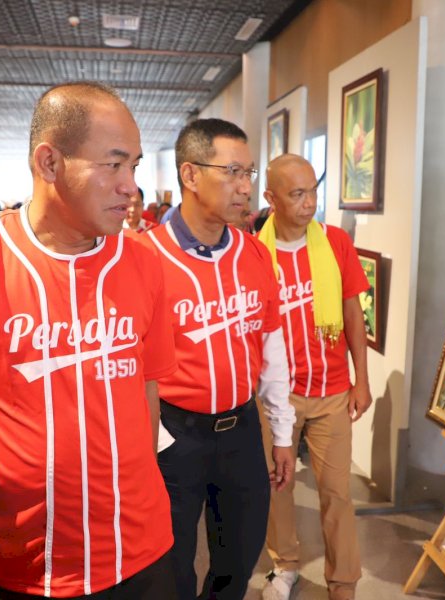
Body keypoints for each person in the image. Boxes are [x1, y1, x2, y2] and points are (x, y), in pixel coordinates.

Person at [0, 81, 179, 600]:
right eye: (113, 165)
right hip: (29, 559)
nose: (130, 187)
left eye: (133, 166)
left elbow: (146, 389)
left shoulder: (142, 262)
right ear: (49, 163)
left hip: (143, 546)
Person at [143, 118, 295, 600]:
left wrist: (283, 433)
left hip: (241, 431)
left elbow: (271, 347)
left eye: (249, 173)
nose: (246, 187)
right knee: (170, 564)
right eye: (232, 171)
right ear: (190, 175)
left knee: (239, 557)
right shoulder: (143, 258)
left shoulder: (253, 254)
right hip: (174, 435)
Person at [257, 154, 372, 600]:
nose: (309, 203)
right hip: (276, 395)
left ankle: (343, 582)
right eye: (297, 194)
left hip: (331, 390)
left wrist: (361, 379)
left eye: (313, 191)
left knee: (337, 493)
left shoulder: (335, 243)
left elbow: (351, 315)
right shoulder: (253, 252)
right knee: (278, 488)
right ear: (271, 198)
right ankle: (284, 566)